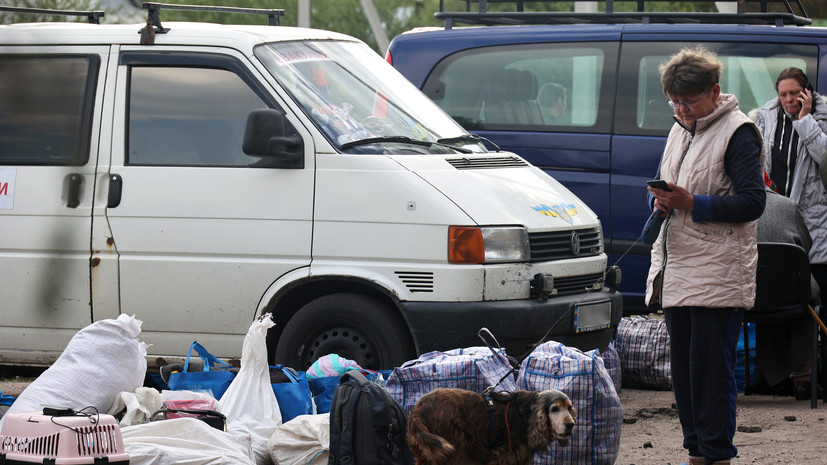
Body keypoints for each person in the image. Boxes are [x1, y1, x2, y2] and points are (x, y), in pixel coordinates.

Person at [645, 46, 766, 465]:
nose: (681, 110)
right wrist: (662, 202)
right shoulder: (680, 127)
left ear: (714, 92)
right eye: (674, 102)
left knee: (711, 374)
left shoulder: (739, 132)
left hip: (719, 270)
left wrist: (691, 202)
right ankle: (696, 453)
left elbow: (753, 203)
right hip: (678, 265)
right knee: (684, 374)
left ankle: (716, 455)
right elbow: (676, 188)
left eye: (690, 102)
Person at [754, 67, 827, 309]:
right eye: (783, 94)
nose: (788, 100)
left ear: (807, 93)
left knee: (818, 299)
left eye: (794, 93)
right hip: (777, 217)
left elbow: (823, 157)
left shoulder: (822, 117)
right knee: (782, 300)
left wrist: (805, 121)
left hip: (814, 219)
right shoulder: (767, 117)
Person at [754, 182, 820, 400]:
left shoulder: (728, 207)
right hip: (787, 296)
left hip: (745, 297)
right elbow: (805, 244)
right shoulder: (789, 206)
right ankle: (804, 378)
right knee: (811, 299)